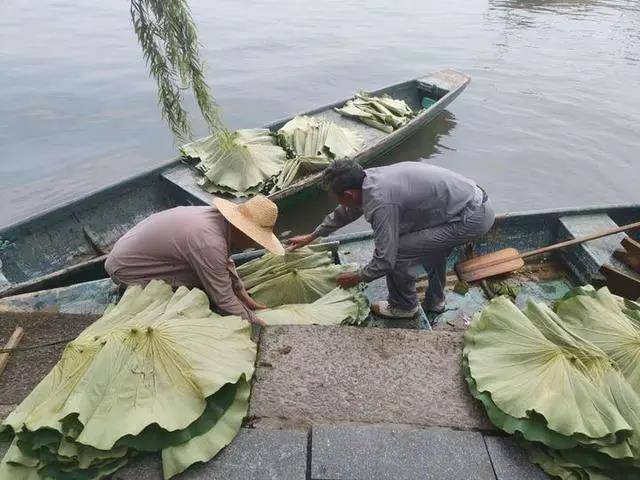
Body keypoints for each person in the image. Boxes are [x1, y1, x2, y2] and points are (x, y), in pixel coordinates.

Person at [288, 160, 495, 319]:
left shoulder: (380, 202)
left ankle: (405, 306)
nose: (338, 202)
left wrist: (358, 276)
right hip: (459, 206)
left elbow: (385, 261)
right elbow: (347, 212)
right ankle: (436, 301)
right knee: (422, 244)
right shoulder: (367, 180)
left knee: (400, 249)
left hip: (473, 217)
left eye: (337, 197)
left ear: (349, 194)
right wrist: (312, 236)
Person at [105, 195, 285, 325]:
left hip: (132, 252)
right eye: (254, 237)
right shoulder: (209, 242)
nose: (253, 242)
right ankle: (133, 293)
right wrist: (256, 322)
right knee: (198, 295)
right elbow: (223, 299)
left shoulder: (216, 221)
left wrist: (245, 297)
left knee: (209, 274)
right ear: (241, 229)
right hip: (127, 270)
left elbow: (225, 261)